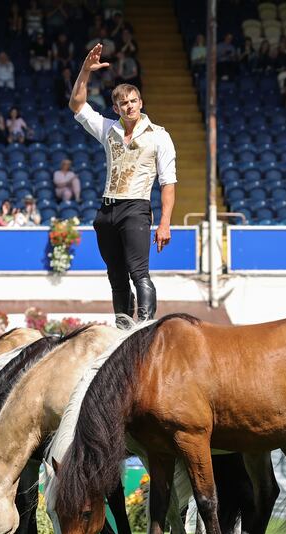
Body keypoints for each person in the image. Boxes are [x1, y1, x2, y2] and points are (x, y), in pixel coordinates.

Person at [69, 43, 176, 324]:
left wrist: (165, 222)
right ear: (116, 107)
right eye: (123, 103)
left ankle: (145, 326)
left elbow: (168, 181)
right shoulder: (109, 130)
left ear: (140, 103)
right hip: (107, 210)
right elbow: (77, 105)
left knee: (138, 271)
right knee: (116, 275)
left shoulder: (159, 136)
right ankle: (122, 326)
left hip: (136, 207)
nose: (129, 107)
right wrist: (84, 71)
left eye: (133, 101)